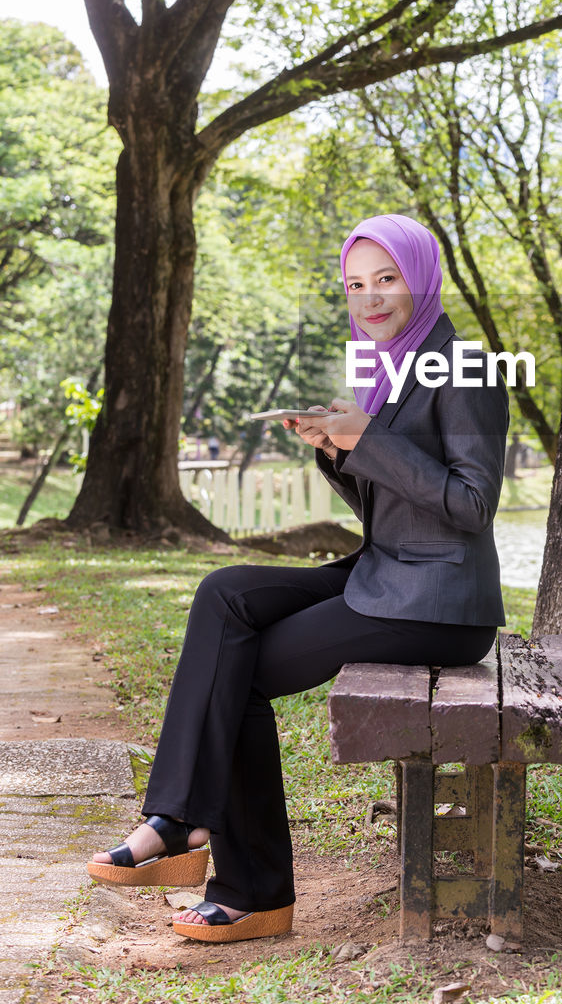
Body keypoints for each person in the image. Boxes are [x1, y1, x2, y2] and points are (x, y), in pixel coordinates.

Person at [87, 213, 509, 944]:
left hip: (441, 603)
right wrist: (338, 452)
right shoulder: (398, 368)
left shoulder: (465, 366)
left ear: (422, 277)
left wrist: (366, 439)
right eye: (355, 284)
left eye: (387, 279)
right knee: (225, 593)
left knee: (239, 670)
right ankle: (178, 823)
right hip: (390, 573)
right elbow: (397, 504)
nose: (371, 299)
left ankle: (246, 885)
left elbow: (471, 506)